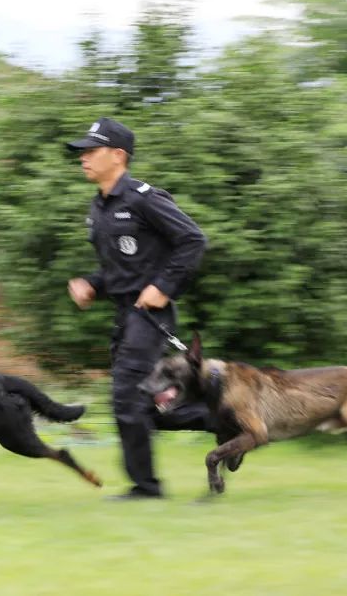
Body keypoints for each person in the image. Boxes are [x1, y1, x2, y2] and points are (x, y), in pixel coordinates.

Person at [66, 117, 217, 500]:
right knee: (144, 405)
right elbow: (119, 268)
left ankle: (146, 488)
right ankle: (224, 417)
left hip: (149, 316)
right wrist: (91, 285)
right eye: (81, 152)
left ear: (118, 155)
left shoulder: (143, 198)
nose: (83, 158)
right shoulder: (98, 209)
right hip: (126, 314)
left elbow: (192, 240)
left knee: (127, 397)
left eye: (91, 151)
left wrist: (163, 288)